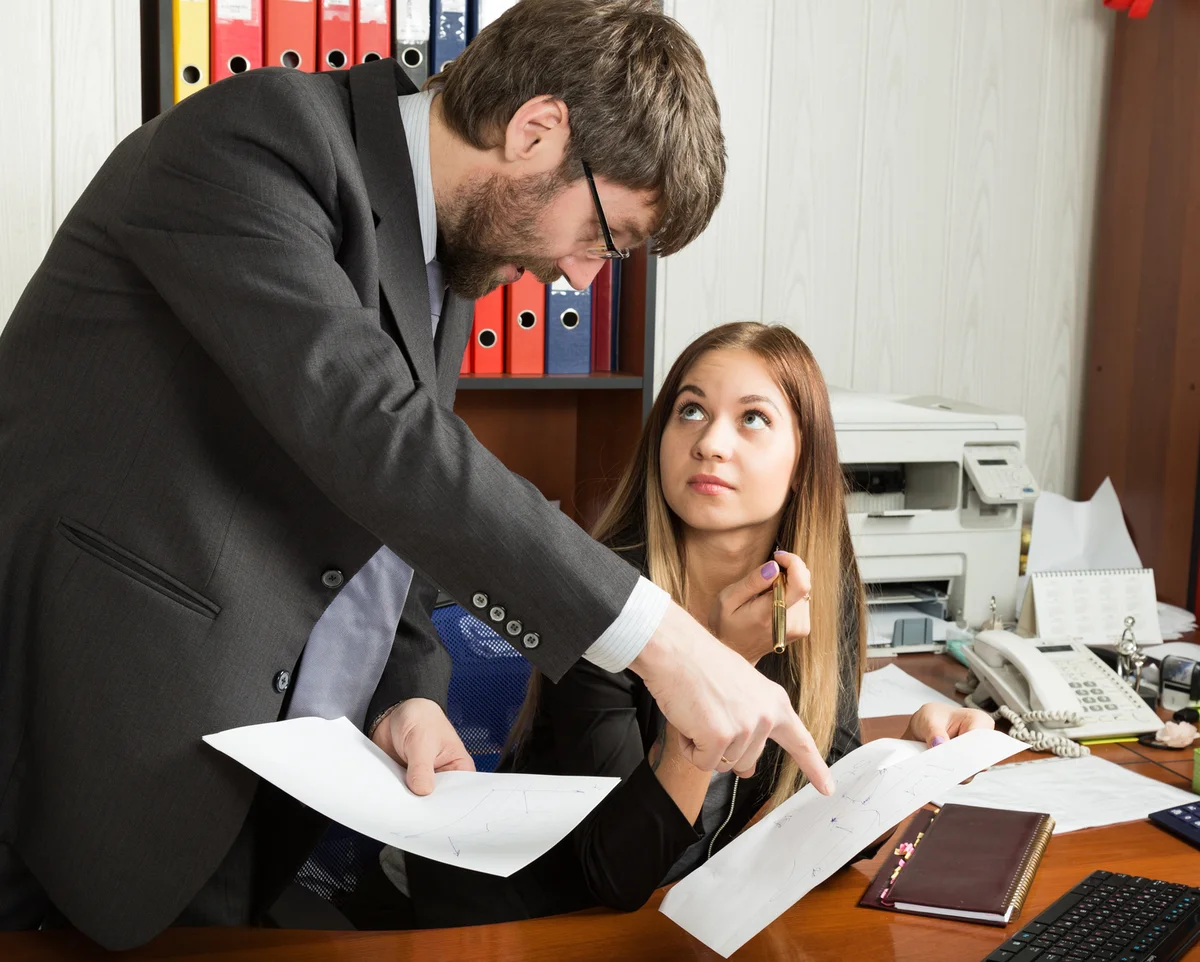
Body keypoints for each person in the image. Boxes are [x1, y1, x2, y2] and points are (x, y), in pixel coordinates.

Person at [0, 2, 834, 950]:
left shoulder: (439, 256)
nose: (579, 279)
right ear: (536, 130)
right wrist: (668, 644)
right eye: (606, 237)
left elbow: (374, 517)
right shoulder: (260, 141)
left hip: (228, 772)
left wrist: (407, 690)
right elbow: (378, 440)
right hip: (70, 740)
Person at [346, 322, 994, 928]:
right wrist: (728, 668)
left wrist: (911, 755)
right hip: (508, 925)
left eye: (752, 419)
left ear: (803, 469)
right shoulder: (606, 597)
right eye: (691, 411)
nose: (710, 441)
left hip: (674, 922)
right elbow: (616, 874)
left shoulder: (810, 588)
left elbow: (824, 794)